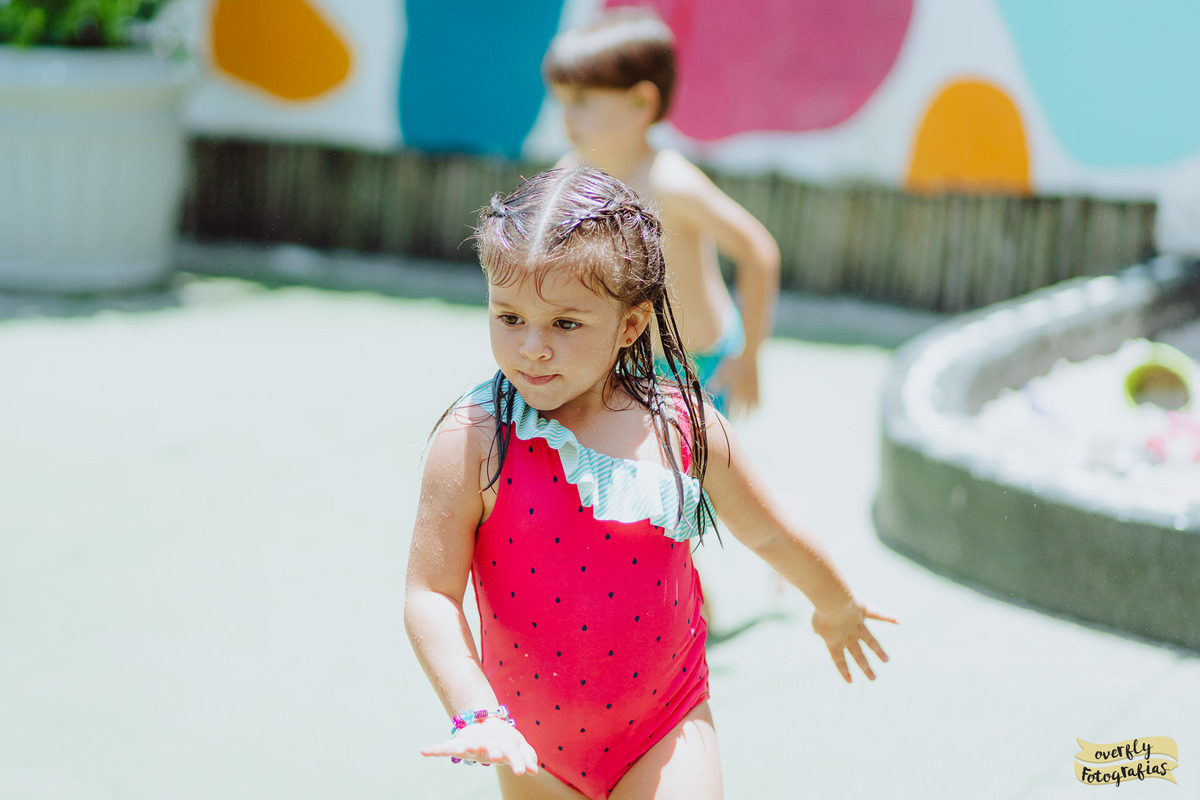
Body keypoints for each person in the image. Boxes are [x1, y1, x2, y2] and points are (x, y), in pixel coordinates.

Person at [404, 166, 895, 800]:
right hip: (530, 746)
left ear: (630, 326)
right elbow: (430, 594)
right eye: (510, 317)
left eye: (566, 324)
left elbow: (769, 532)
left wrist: (836, 605)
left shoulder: (681, 426)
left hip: (665, 727)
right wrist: (475, 710)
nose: (533, 347)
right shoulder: (474, 439)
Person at [542, 7, 781, 418]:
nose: (566, 117)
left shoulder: (671, 183)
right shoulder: (570, 174)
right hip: (621, 365)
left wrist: (750, 358)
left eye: (581, 100)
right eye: (561, 101)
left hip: (696, 367)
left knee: (694, 460)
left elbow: (758, 251)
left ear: (641, 101)